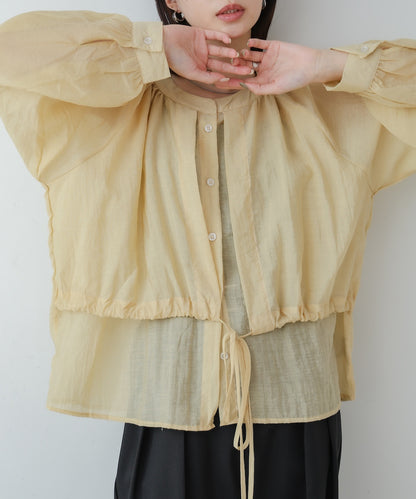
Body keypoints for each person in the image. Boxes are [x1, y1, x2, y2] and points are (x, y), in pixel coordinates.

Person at [0, 1, 415, 498]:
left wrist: (330, 65)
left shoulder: (326, 109)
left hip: (295, 409)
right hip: (165, 410)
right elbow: (11, 52)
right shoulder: (106, 113)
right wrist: (155, 48)